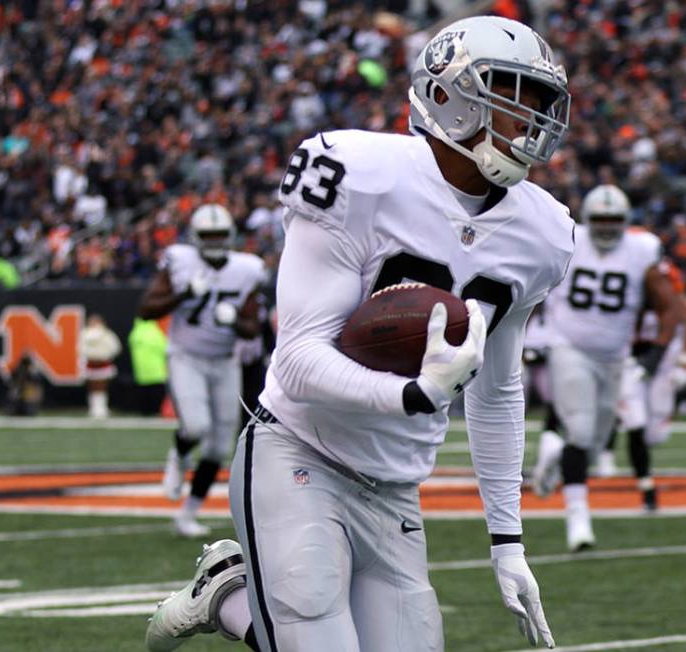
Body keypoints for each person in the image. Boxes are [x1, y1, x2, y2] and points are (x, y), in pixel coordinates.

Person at [146, 16, 571, 652]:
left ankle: (229, 587)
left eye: (539, 104)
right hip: (299, 448)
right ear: (449, 96)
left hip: (396, 481)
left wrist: (507, 542)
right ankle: (234, 595)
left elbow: (499, 389)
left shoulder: (544, 232)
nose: (529, 120)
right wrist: (415, 395)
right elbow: (296, 362)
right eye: (512, 97)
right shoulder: (357, 174)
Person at [530, 185, 681, 551]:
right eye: (601, 219)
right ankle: (578, 520)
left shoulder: (641, 251)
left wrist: (656, 353)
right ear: (587, 220)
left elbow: (670, 306)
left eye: (614, 220)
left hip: (613, 356)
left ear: (626, 221)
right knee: (580, 431)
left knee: (594, 445)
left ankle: (552, 455)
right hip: (570, 346)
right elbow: (533, 282)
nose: (607, 227)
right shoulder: (568, 239)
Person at [138, 203, 266, 538]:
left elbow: (252, 328)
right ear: (195, 237)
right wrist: (183, 295)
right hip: (187, 356)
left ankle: (188, 515)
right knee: (195, 426)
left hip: (225, 360)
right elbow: (147, 309)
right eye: (207, 235)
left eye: (219, 234)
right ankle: (178, 455)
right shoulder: (180, 262)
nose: (213, 240)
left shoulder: (246, 268)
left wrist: (234, 321)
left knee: (218, 447)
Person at [613, 255, 686, 511]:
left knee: (656, 434)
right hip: (628, 361)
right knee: (635, 422)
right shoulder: (626, 287)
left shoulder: (669, 297)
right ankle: (647, 489)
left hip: (660, 360)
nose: (663, 289)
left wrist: (685, 359)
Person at [78, 313, 122, 418]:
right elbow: (80, 348)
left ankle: (101, 408)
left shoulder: (107, 334)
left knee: (102, 386)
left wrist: (104, 356)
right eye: (92, 321)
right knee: (92, 387)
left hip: (103, 364)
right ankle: (93, 408)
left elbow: (114, 347)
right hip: (91, 364)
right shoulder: (84, 333)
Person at [128, 317, 169, 415]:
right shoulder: (154, 332)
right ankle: (156, 410)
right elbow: (164, 348)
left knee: (143, 391)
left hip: (140, 369)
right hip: (156, 368)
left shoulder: (135, 332)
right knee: (156, 391)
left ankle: (145, 411)